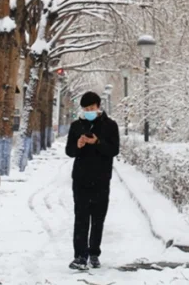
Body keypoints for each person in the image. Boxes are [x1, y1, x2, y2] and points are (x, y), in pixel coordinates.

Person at [65, 91, 120, 270]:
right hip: (80, 178)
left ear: (98, 107)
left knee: (98, 218)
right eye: (86, 108)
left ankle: (94, 252)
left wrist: (97, 142)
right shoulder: (76, 126)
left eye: (92, 108)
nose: (89, 111)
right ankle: (80, 256)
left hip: (102, 179)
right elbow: (69, 151)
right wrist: (78, 145)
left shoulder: (110, 126)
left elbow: (114, 150)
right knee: (81, 217)